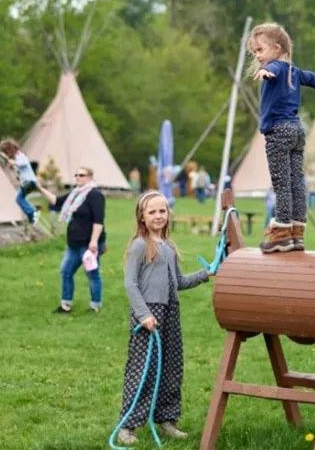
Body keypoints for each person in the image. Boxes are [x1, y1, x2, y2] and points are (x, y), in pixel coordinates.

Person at [116, 191, 211, 446]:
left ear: (169, 214)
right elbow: (130, 284)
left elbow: (178, 282)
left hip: (170, 313)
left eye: (162, 211)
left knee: (171, 368)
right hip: (148, 316)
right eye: (152, 212)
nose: (158, 216)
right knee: (142, 371)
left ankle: (167, 419)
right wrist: (144, 315)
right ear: (142, 217)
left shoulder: (168, 247)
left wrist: (206, 273)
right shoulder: (139, 245)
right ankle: (128, 425)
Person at [248, 22, 315, 254]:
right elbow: (310, 77)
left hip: (278, 131)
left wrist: (267, 72)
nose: (257, 56)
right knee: (297, 183)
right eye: (254, 52)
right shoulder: (294, 71)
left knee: (282, 183)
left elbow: (274, 69)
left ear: (276, 48)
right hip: (297, 131)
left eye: (260, 50)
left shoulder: (275, 67)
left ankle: (282, 234)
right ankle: (298, 233)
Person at [53, 167, 106, 314]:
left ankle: (95, 306)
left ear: (90, 176)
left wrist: (94, 241)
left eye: (81, 175)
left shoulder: (95, 195)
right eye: (76, 175)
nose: (78, 177)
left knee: (92, 274)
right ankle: (66, 305)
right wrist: (37, 187)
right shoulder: (75, 194)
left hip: (89, 245)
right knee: (66, 272)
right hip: (74, 244)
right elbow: (57, 202)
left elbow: (98, 221)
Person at [0, 138, 43, 226]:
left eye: (6, 152)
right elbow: (19, 169)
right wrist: (12, 165)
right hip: (26, 183)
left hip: (29, 182)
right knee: (20, 199)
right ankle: (32, 217)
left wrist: (14, 162)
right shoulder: (16, 157)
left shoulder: (20, 155)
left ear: (10, 150)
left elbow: (24, 163)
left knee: (19, 199)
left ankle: (33, 212)